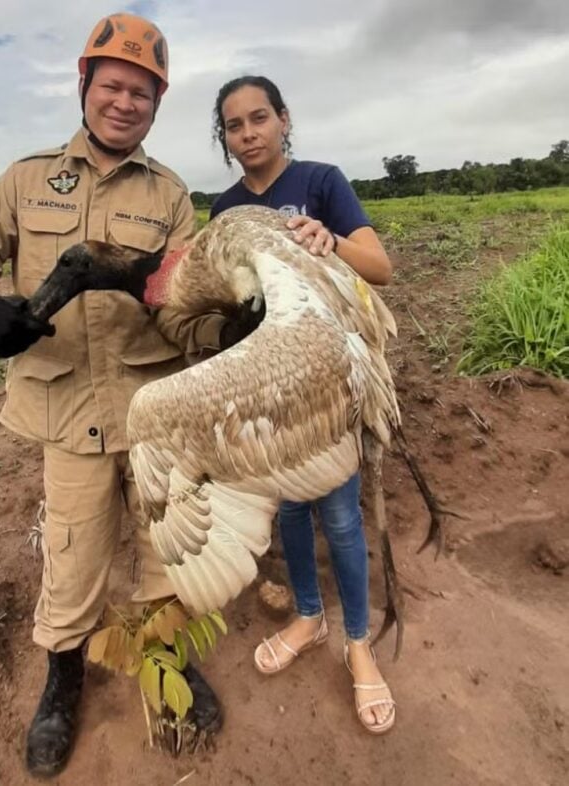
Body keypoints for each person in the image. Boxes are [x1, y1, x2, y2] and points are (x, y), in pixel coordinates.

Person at [0, 13, 244, 778]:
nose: (126, 102)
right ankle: (62, 680)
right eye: (113, 85)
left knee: (162, 549)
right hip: (66, 408)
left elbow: (179, 306)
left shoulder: (170, 195)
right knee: (72, 555)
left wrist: (227, 327)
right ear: (84, 86)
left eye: (143, 92)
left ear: (157, 103)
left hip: (152, 407)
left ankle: (162, 660)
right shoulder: (26, 178)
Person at [209, 75, 396, 735]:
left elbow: (379, 266)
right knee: (286, 506)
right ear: (225, 139)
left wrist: (329, 242)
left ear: (284, 120)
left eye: (260, 118)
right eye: (234, 125)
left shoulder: (321, 182)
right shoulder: (224, 209)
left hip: (327, 385)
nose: (249, 133)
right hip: (267, 389)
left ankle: (358, 643)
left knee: (341, 516)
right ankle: (308, 618)